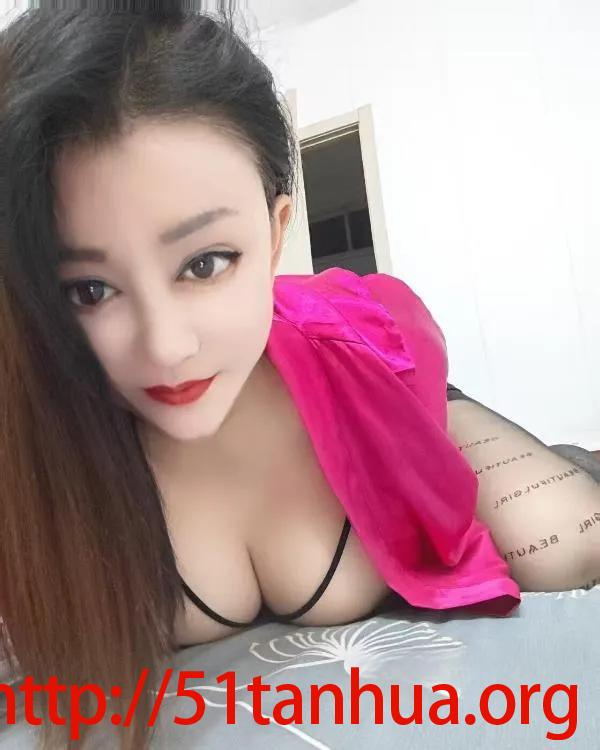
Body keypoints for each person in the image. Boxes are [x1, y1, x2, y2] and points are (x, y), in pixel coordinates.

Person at [0, 6, 599, 749]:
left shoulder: (362, 356)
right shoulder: (31, 438)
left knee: (560, 543)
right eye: (89, 290)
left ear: (278, 229)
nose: (167, 346)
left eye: (205, 263)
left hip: (358, 367)